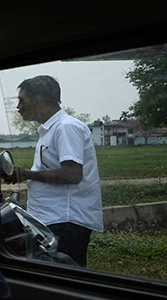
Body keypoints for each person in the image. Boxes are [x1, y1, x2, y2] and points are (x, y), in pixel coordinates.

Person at [7, 75, 103, 266]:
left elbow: (72, 174)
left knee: (67, 276)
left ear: (38, 99)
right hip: (54, 220)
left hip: (66, 221)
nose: (18, 107)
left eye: (22, 100)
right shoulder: (50, 130)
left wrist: (26, 174)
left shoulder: (66, 128)